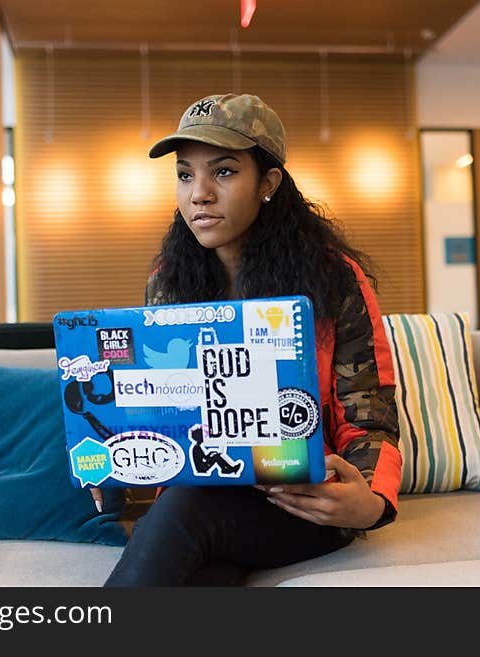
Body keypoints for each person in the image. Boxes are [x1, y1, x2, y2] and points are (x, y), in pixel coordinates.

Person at [100, 93, 402, 586]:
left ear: (268, 182)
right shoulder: (167, 284)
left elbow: (370, 415)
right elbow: (160, 410)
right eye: (184, 174)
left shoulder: (333, 280)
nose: (198, 193)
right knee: (201, 566)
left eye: (222, 172)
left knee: (185, 514)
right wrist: (113, 456)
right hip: (201, 495)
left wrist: (368, 501)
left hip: (305, 503)